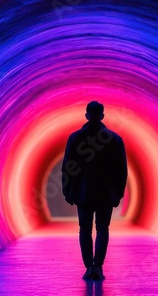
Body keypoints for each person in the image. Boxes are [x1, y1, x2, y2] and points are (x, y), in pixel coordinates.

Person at [61, 101, 127, 280]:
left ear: (86, 115)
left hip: (84, 194)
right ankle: (98, 266)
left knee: (84, 229)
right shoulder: (114, 139)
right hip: (106, 194)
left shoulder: (75, 138)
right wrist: (118, 193)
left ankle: (88, 266)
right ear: (102, 116)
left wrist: (68, 191)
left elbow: (67, 167)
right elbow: (122, 169)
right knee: (103, 229)